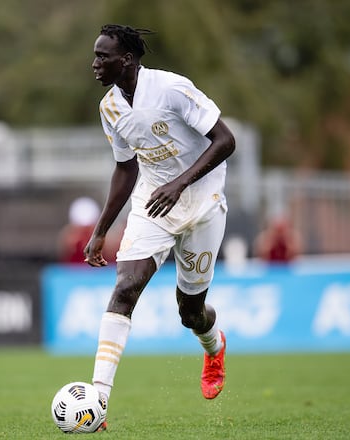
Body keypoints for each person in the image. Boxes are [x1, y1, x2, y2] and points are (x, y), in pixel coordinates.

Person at [83, 24, 236, 426]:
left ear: (127, 60)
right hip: (153, 202)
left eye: (103, 56)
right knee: (125, 287)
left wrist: (180, 182)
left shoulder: (171, 89)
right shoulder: (109, 108)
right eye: (95, 55)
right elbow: (124, 169)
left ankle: (213, 345)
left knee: (190, 312)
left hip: (203, 203)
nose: (95, 63)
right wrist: (101, 230)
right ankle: (97, 403)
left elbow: (225, 140)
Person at [58, 197, 119, 264]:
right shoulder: (69, 242)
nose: (84, 233)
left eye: (88, 229)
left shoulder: (107, 244)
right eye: (81, 229)